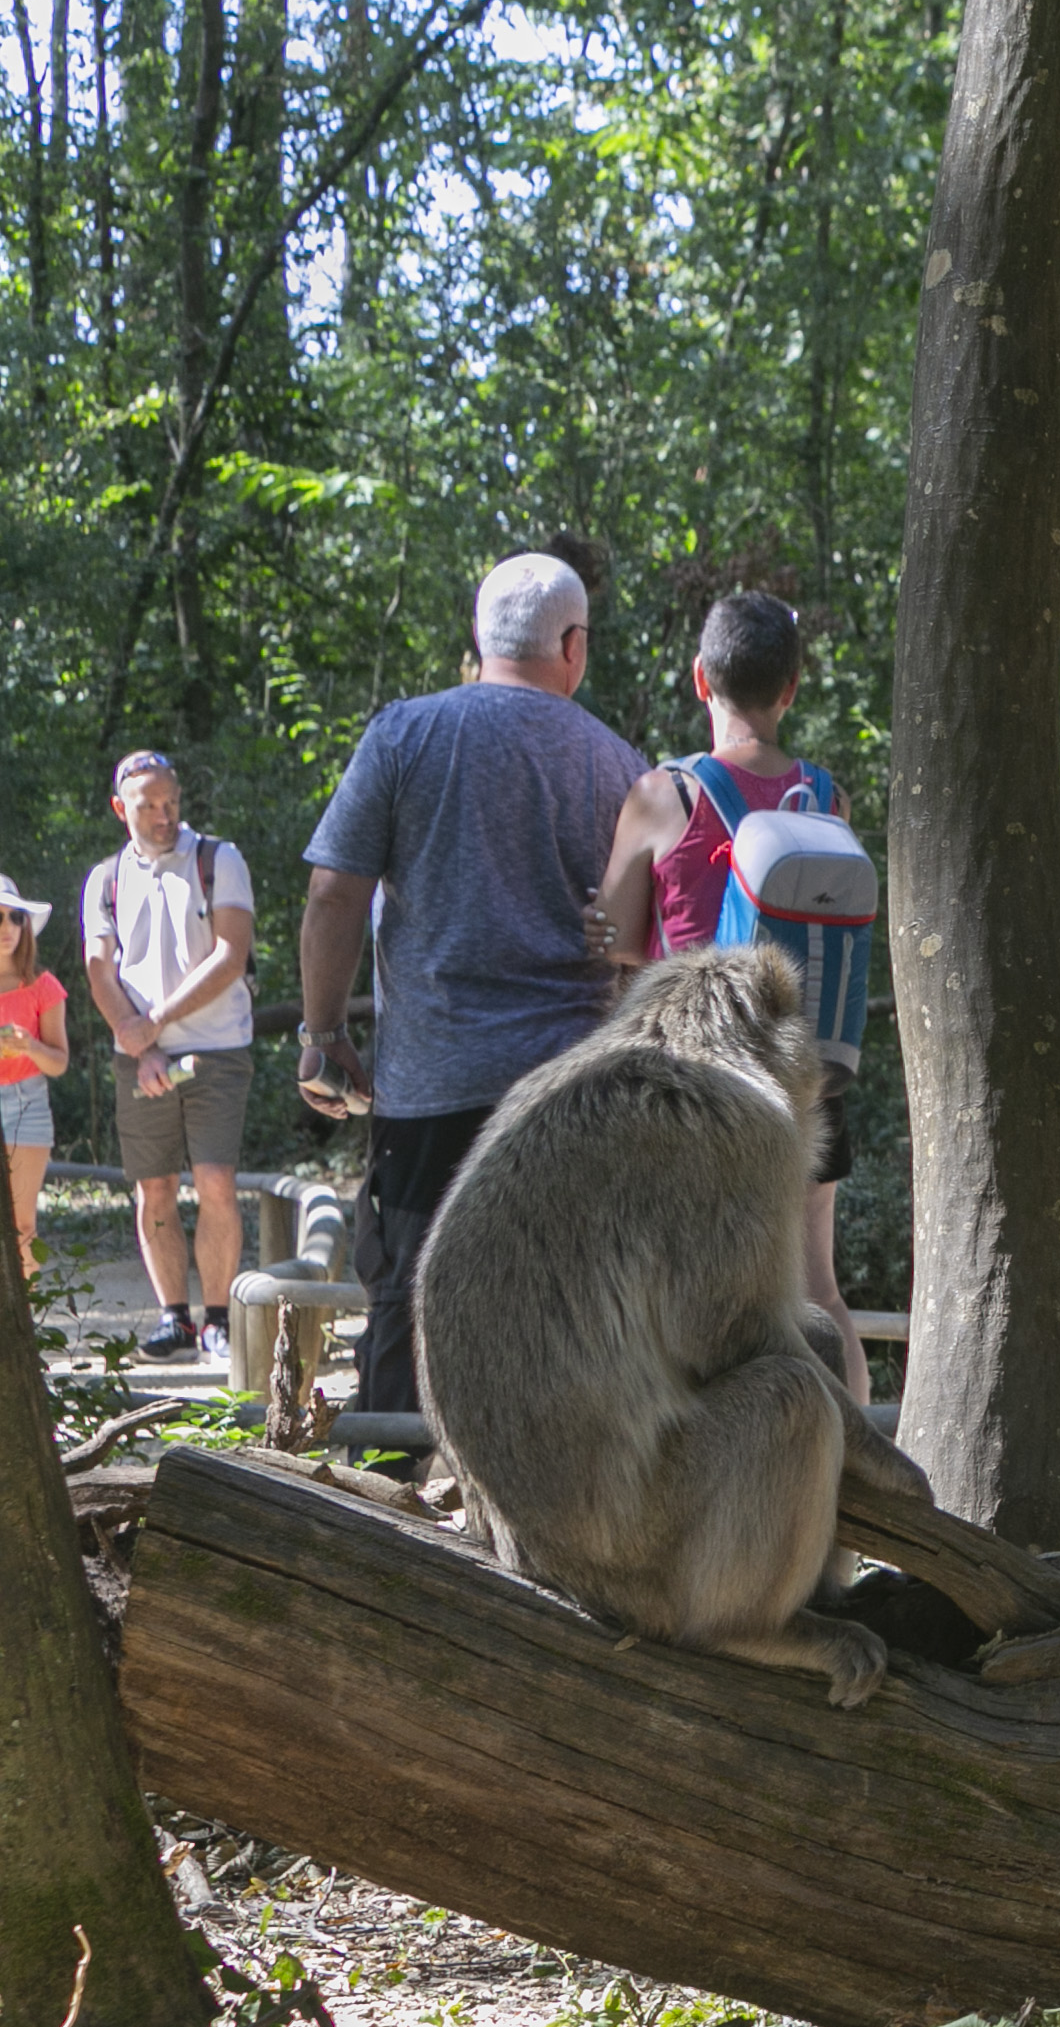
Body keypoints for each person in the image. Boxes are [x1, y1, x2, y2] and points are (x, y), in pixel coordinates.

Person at [300, 553, 651, 1448]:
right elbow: (643, 941)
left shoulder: (405, 734)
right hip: (571, 1097)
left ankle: (384, 1516)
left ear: (478, 635)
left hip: (429, 1091)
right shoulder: (623, 769)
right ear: (574, 646)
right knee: (567, 1319)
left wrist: (324, 1032)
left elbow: (334, 894)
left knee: (408, 1310)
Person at [585, 590, 869, 1400]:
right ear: (792, 687)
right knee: (818, 1288)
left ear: (700, 680)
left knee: (689, 1294)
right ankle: (855, 1488)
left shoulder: (663, 796)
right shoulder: (826, 796)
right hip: (805, 1072)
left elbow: (622, 938)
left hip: (696, 1081)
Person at [77, 752, 257, 1356]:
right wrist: (136, 1035)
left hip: (217, 1048)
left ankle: (218, 1317)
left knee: (215, 1183)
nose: (164, 816)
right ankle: (173, 1316)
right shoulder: (105, 880)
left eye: (171, 803)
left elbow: (231, 954)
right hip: (139, 1051)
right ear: (119, 808)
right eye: (149, 805)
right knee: (153, 1188)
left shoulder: (217, 859)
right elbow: (100, 970)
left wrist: (154, 1022)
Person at [0, 872, 67, 1278]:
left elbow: (59, 1063)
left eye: (15, 918)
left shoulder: (43, 986)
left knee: (22, 1227)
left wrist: (30, 1046)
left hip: (29, 1107)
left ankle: (26, 1333)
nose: (6, 928)